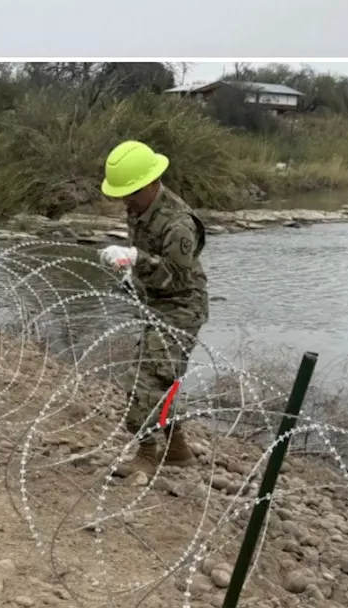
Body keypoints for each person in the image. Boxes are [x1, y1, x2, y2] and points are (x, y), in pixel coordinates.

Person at [97, 140, 209, 477]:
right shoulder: (141, 207)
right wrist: (129, 272)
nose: (124, 200)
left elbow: (175, 278)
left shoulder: (178, 225)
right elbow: (147, 260)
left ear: (149, 183)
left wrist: (136, 260)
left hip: (179, 309)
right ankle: (176, 450)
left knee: (146, 381)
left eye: (129, 192)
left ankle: (146, 452)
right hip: (155, 303)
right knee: (163, 376)